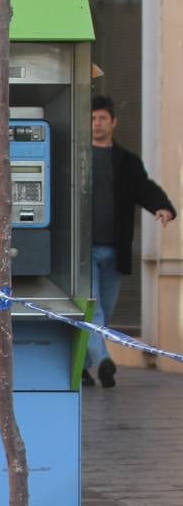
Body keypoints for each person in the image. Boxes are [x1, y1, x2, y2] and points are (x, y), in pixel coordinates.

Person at [84, 95, 176, 389]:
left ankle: (84, 366)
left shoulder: (126, 161)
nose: (97, 124)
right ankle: (103, 362)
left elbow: (144, 189)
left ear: (113, 123)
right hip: (82, 251)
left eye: (102, 118)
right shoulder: (77, 157)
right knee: (94, 308)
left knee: (104, 312)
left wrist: (162, 207)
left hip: (115, 249)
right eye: (93, 118)